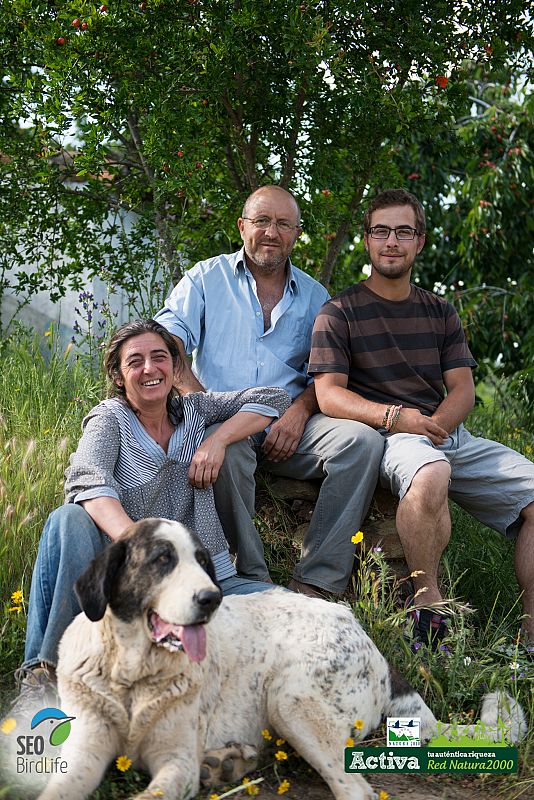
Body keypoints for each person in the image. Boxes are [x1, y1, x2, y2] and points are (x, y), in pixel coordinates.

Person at [11, 318, 290, 713]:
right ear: (118, 374)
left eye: (159, 358)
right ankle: (44, 677)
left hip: (201, 583)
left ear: (176, 369)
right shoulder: (110, 419)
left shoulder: (196, 411)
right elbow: (88, 481)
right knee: (66, 519)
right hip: (130, 584)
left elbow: (274, 397)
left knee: (293, 612)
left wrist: (218, 439)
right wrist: (144, 548)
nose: (149, 369)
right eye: (134, 361)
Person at [308, 187, 534, 647]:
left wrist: (437, 429)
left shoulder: (439, 311)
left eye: (403, 231)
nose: (392, 241)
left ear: (420, 241)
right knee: (430, 475)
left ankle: (531, 633)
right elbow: (328, 395)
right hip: (388, 435)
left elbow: (463, 390)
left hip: (444, 433)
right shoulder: (339, 312)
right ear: (367, 240)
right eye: (382, 231)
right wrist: (397, 418)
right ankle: (429, 613)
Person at [155, 185, 384, 597]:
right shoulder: (206, 278)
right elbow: (166, 340)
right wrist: (196, 397)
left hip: (290, 427)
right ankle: (252, 580)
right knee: (218, 452)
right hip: (223, 418)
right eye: (261, 221)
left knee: (363, 442)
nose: (271, 232)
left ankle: (316, 579)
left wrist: (300, 410)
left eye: (283, 223)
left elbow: (329, 372)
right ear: (242, 226)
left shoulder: (316, 296)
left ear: (296, 233)